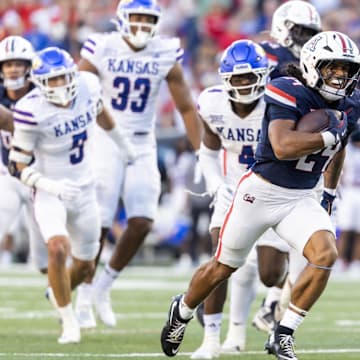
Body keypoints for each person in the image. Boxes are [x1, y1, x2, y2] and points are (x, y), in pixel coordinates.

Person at [160, 30, 360, 360]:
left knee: (325, 255)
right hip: (262, 192)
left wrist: (328, 191)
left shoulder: (349, 104)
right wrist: (327, 136)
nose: (340, 76)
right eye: (332, 67)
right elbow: (283, 146)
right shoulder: (286, 89)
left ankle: (284, 331)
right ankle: (181, 309)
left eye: (346, 69)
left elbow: (340, 149)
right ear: (312, 65)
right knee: (223, 267)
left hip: (302, 196)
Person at [75, 0, 201, 328]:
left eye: (148, 18)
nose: (143, 24)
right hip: (105, 136)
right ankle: (85, 294)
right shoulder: (101, 47)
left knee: (143, 220)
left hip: (144, 139)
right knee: (100, 220)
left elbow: (186, 107)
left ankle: (103, 286)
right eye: (137, 17)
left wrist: (203, 151)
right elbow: (77, 94)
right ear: (121, 19)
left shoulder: (164, 51)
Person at [8, 46, 135, 344]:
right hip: (50, 190)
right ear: (39, 83)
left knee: (86, 265)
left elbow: (102, 114)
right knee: (56, 248)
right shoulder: (30, 109)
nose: (59, 85)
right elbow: (17, 164)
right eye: (51, 80)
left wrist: (124, 146)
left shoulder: (88, 87)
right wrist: (50, 186)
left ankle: (57, 291)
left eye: (63, 78)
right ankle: (69, 322)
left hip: (85, 188)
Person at [189, 39, 277, 359]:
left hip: (273, 190)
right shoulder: (212, 104)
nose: (244, 84)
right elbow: (208, 151)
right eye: (237, 78)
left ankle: (273, 298)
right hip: (232, 189)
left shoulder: (278, 102)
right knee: (221, 262)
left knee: (269, 272)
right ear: (225, 79)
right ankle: (212, 339)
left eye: (250, 77)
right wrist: (214, 183)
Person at [0, 35, 49, 272]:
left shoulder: (42, 96)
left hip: (36, 175)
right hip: (7, 175)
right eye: (8, 64)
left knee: (44, 260)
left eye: (18, 64)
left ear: (29, 67)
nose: (13, 70)